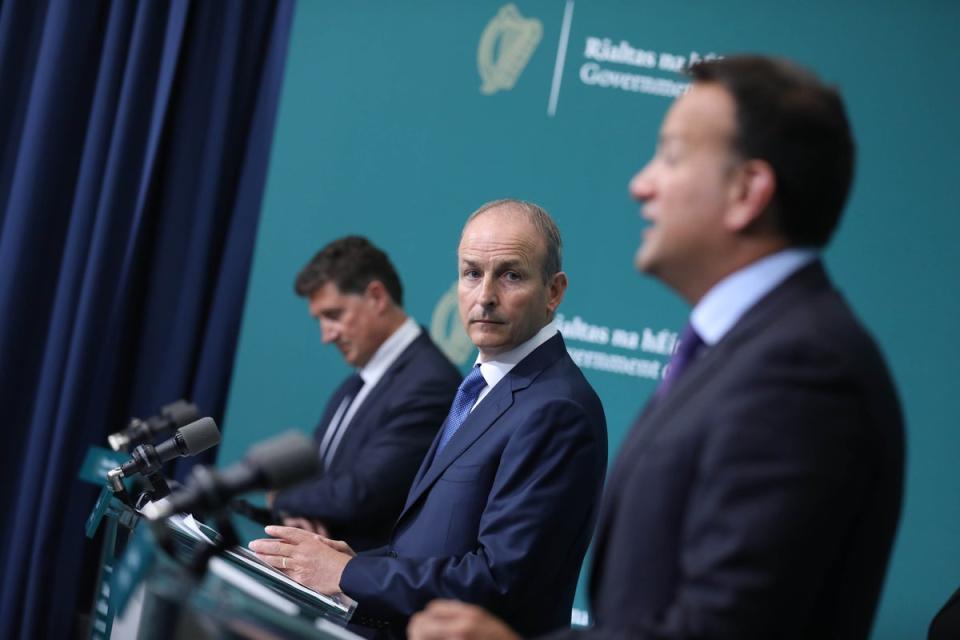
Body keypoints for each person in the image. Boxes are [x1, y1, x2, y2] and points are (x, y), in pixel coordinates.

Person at [406, 55, 905, 640]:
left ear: (747, 192)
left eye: (671, 157)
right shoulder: (745, 351)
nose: (640, 185)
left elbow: (724, 629)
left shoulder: (805, 371)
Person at [251, 200, 608, 637]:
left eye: (511, 275)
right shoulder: (482, 387)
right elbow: (436, 542)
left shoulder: (557, 409)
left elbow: (497, 579)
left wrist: (348, 574)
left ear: (554, 291)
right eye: (472, 273)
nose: (486, 295)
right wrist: (356, 562)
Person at [269, 236, 461, 552]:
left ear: (376, 296)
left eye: (333, 315)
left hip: (368, 590)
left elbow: (361, 494)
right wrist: (296, 512)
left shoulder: (431, 382)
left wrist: (282, 497)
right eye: (320, 321)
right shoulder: (353, 385)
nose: (326, 335)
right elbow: (315, 475)